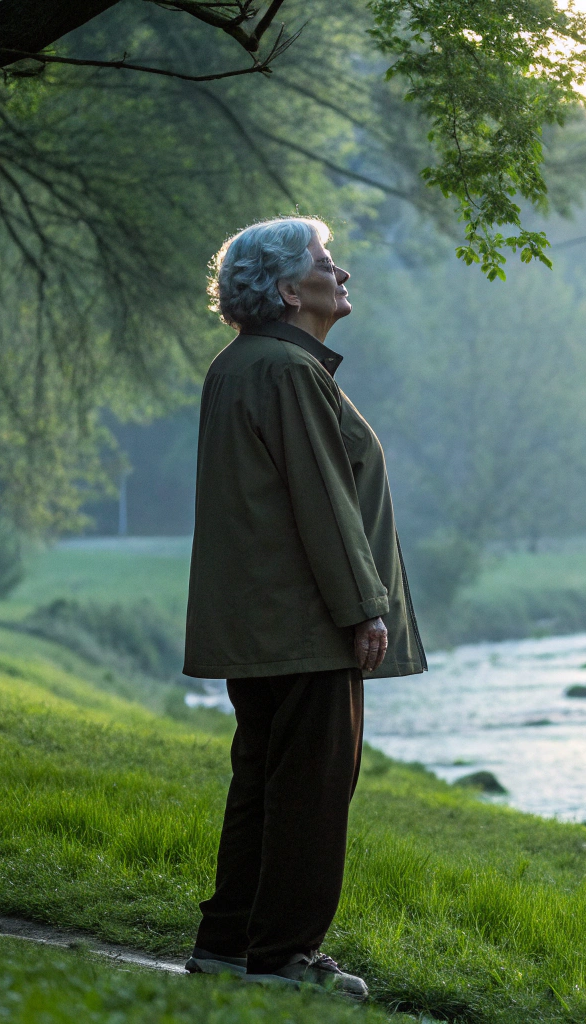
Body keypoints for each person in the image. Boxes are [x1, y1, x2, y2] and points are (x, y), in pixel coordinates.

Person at [182, 217, 424, 999]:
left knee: (263, 781)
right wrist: (366, 609)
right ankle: (284, 958)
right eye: (325, 263)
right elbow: (323, 502)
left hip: (264, 622)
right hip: (307, 624)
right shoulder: (289, 370)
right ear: (290, 290)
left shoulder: (243, 365)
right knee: (312, 791)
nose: (341, 272)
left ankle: (229, 945)